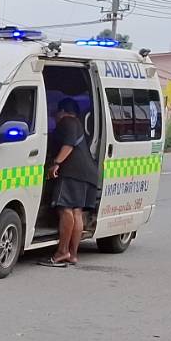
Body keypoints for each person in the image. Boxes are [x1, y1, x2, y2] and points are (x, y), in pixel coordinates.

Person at [44, 98, 100, 266]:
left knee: (65, 209)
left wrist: (56, 163)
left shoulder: (67, 121)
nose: (55, 116)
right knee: (76, 212)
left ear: (62, 111)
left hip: (72, 172)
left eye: (55, 113)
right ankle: (72, 254)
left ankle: (62, 251)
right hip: (88, 173)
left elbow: (69, 144)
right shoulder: (78, 124)